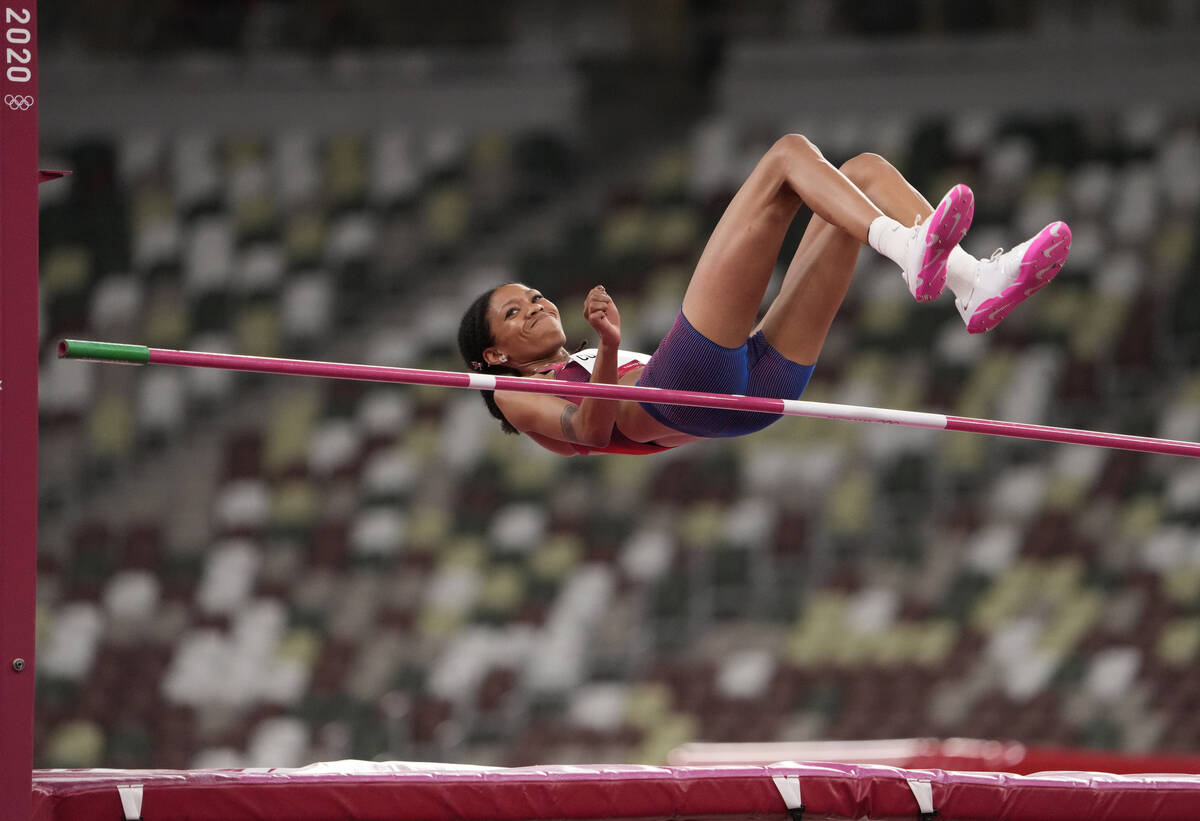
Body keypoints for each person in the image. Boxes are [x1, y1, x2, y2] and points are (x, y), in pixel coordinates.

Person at [458, 134, 1071, 456]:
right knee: (786, 158)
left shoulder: (569, 365)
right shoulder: (512, 392)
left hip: (755, 386)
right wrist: (612, 345)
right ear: (493, 355)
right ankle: (912, 254)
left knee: (861, 170)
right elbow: (590, 433)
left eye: (534, 295)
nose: (536, 305)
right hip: (685, 392)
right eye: (515, 312)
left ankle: (972, 284)